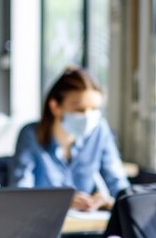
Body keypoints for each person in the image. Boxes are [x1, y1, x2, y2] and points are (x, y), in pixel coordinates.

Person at [11, 67, 129, 211]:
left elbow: (120, 187)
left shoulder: (100, 131)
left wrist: (108, 201)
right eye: (79, 109)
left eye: (95, 109)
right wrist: (61, 202)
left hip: (88, 228)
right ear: (55, 107)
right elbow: (19, 195)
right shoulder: (30, 135)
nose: (88, 116)